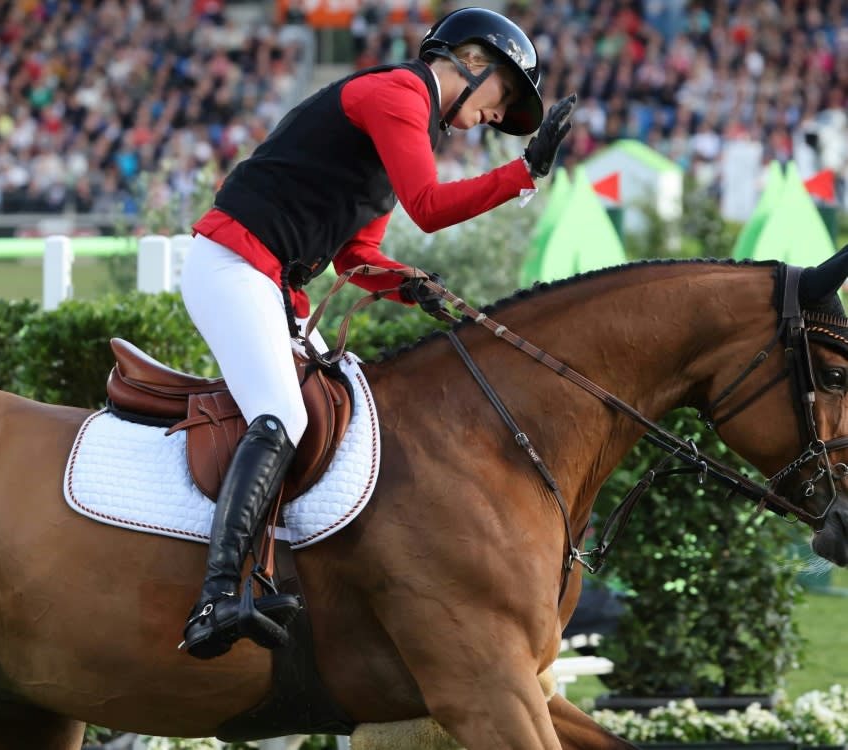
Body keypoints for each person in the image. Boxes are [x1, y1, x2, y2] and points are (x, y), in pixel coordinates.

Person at [179, 6, 577, 660]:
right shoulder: (398, 94)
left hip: (269, 281)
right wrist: (523, 176)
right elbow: (426, 207)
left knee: (343, 413)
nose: (495, 119)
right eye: (501, 100)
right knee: (282, 414)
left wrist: (413, 286)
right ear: (471, 62)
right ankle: (218, 595)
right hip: (235, 265)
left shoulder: (407, 115)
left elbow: (357, 256)